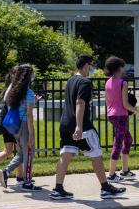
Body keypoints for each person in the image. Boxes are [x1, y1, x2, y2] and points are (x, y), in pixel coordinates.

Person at [50, 54, 126, 200]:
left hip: (65, 124)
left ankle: (58, 189)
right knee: (96, 155)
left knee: (65, 156)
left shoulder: (71, 80)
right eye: (92, 65)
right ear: (86, 65)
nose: (93, 68)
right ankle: (105, 188)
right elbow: (80, 103)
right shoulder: (85, 82)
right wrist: (79, 126)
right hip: (83, 127)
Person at [0, 64, 42, 191]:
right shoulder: (29, 92)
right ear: (28, 76)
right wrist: (32, 132)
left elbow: (7, 100)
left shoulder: (15, 91)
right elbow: (28, 114)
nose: (33, 76)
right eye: (32, 74)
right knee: (29, 153)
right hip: (24, 126)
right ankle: (27, 182)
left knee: (22, 152)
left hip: (15, 126)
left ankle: (6, 172)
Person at [104, 57, 137, 182]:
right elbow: (125, 104)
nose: (124, 68)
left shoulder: (107, 82)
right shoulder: (123, 82)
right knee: (118, 143)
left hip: (112, 115)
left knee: (128, 139)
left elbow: (107, 102)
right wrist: (134, 109)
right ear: (118, 68)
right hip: (121, 116)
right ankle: (112, 175)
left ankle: (125, 171)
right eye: (122, 66)